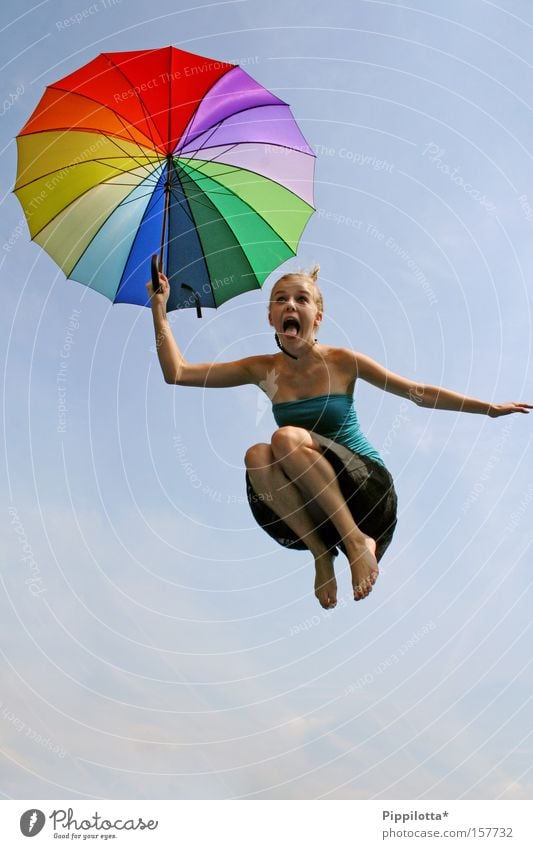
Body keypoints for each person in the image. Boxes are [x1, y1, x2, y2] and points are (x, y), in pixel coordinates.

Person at [147, 265, 531, 610]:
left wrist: (489, 408)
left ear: (318, 316)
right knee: (256, 455)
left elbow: (418, 392)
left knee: (285, 439)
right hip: (316, 505)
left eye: (302, 299)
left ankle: (357, 543)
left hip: (368, 496)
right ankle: (321, 553)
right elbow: (177, 373)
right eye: (281, 300)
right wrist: (159, 309)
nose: (290, 306)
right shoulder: (262, 369)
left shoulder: (343, 361)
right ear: (270, 317)